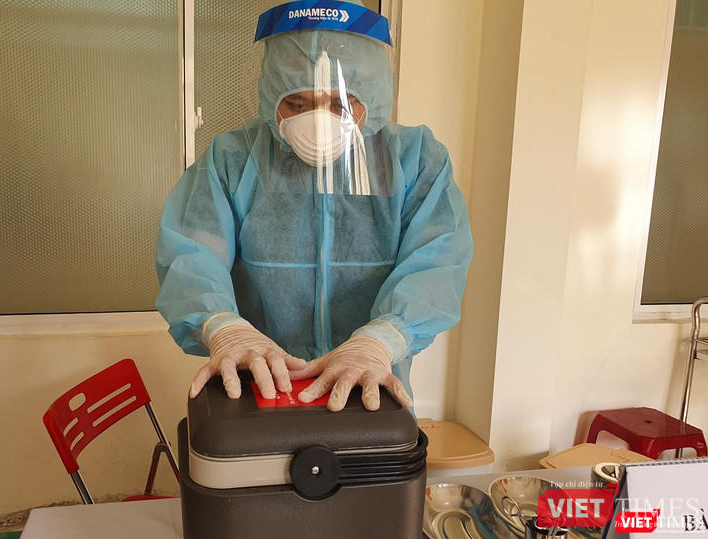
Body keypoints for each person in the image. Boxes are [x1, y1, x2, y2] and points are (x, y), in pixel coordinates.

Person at [155, 0, 473, 413]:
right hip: (260, 388)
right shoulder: (233, 161)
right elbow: (192, 257)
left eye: (340, 105)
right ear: (271, 94)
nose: (320, 123)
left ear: (372, 97)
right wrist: (223, 327)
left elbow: (437, 263)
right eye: (298, 104)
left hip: (368, 389)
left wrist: (380, 340)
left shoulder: (414, 162)